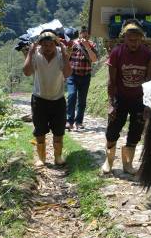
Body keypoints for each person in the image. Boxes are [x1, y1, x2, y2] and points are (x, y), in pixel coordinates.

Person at [101, 19, 151, 175]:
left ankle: (128, 164)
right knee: (112, 131)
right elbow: (111, 81)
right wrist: (111, 103)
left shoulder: (148, 54)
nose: (134, 43)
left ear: (141, 39)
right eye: (131, 40)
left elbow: (149, 81)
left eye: (137, 40)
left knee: (136, 132)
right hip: (120, 97)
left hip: (139, 99)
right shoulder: (116, 53)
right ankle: (108, 162)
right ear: (124, 38)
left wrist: (147, 105)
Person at [23, 30, 73, 167]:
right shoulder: (36, 53)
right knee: (39, 130)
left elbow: (68, 73)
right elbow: (27, 72)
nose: (48, 48)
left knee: (59, 130)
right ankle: (41, 158)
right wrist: (30, 52)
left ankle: (58, 157)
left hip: (58, 99)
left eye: (50, 44)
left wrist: (64, 54)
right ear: (40, 45)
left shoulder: (60, 53)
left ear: (55, 44)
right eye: (44, 45)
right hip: (39, 98)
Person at [66, 26, 98, 130]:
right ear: (79, 33)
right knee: (71, 96)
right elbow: (66, 57)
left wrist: (87, 47)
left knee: (82, 100)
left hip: (85, 75)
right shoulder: (73, 43)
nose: (85, 34)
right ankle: (69, 121)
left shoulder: (92, 45)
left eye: (87, 33)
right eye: (83, 32)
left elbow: (94, 59)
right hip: (72, 74)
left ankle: (79, 122)